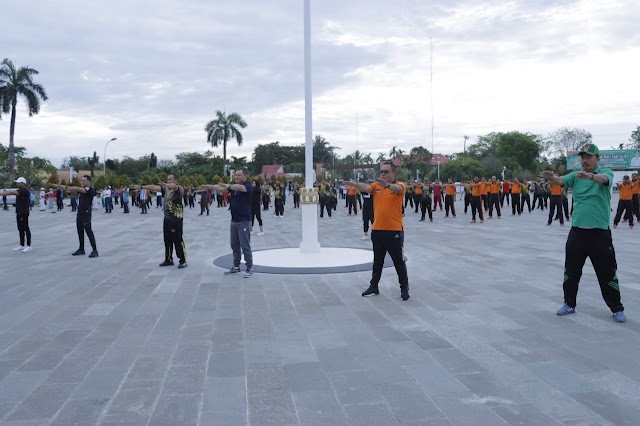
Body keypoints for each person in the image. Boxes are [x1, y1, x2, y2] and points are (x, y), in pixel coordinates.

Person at [543, 143, 626, 322]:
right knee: (571, 271)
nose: (585, 160)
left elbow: (603, 179)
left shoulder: (606, 172)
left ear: (597, 159)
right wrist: (552, 178)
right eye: (582, 157)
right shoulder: (576, 175)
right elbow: (561, 181)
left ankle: (616, 308)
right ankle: (569, 304)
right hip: (578, 233)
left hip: (600, 234)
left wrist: (590, 176)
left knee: (607, 273)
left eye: (589, 157)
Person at [344, 161, 410, 300]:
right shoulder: (376, 187)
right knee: (377, 261)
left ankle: (404, 288)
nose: (383, 174)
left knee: (398, 261)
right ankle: (374, 286)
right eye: (381, 172)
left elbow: (399, 189)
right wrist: (355, 184)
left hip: (394, 231)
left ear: (394, 173)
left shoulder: (399, 185)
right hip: (377, 230)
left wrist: (388, 186)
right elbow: (367, 188)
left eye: (386, 172)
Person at [203, 169, 254, 277]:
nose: (237, 177)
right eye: (235, 175)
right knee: (234, 245)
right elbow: (222, 188)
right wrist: (210, 186)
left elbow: (240, 188)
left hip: (244, 221)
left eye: (239, 175)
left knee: (245, 245)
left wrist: (228, 185)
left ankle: (249, 268)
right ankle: (236, 266)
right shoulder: (234, 187)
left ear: (245, 175)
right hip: (234, 221)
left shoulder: (247, 185)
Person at [137, 174, 187, 268]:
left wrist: (166, 184)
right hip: (167, 219)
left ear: (176, 180)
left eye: (170, 179)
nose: (168, 181)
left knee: (178, 240)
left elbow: (174, 186)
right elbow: (154, 187)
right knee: (167, 240)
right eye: (167, 180)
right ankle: (168, 259)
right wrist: (141, 187)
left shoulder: (179, 189)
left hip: (176, 219)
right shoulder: (166, 189)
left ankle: (182, 260)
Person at [53, 176, 99, 258]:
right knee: (80, 231)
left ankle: (95, 250)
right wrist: (61, 187)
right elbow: (72, 190)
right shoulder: (82, 189)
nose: (82, 182)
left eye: (84, 181)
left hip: (86, 213)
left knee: (88, 231)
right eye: (82, 181)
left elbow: (77, 189)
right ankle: (81, 249)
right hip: (80, 213)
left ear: (89, 181)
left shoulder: (90, 189)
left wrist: (67, 187)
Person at [0, 177, 33, 252]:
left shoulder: (25, 191)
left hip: (24, 212)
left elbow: (11, 193)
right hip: (18, 212)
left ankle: (28, 245)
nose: (17, 183)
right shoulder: (21, 190)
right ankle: (21, 245)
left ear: (22, 183)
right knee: (20, 228)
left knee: (25, 228)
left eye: (18, 182)